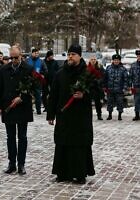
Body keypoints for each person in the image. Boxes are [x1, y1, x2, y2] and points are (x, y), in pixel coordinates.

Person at [47, 44, 95, 184]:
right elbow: (53, 95)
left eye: (73, 54)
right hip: (64, 116)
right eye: (69, 54)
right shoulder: (60, 73)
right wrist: (50, 114)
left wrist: (84, 95)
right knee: (63, 143)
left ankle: (80, 174)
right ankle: (62, 173)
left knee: (79, 145)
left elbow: (96, 93)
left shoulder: (87, 73)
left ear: (80, 56)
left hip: (80, 117)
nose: (70, 57)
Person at [0, 46, 35, 175]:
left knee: (22, 136)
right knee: (10, 137)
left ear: (21, 55)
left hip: (23, 107)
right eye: (11, 58)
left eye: (16, 57)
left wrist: (22, 97)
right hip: (9, 106)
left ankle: (21, 164)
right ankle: (11, 163)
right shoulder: (3, 69)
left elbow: (34, 87)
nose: (13, 60)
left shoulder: (28, 68)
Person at [103, 54, 129, 120]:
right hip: (110, 89)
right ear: (113, 60)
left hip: (119, 89)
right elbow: (105, 78)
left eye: (117, 60)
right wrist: (105, 87)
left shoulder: (123, 69)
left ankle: (119, 115)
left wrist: (124, 88)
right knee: (109, 102)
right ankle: (109, 115)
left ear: (119, 61)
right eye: (115, 60)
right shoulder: (108, 68)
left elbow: (126, 79)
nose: (116, 61)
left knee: (120, 103)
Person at [26, 48, 47, 114]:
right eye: (35, 53)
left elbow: (45, 70)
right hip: (29, 81)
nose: (36, 54)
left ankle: (38, 110)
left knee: (38, 96)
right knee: (28, 95)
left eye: (37, 53)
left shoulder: (41, 61)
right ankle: (29, 109)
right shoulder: (27, 60)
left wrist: (42, 74)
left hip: (38, 81)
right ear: (32, 53)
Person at [87, 56, 105, 120]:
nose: (93, 60)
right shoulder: (87, 68)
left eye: (94, 59)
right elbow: (85, 77)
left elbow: (103, 77)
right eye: (92, 59)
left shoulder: (100, 67)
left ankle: (99, 115)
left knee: (98, 103)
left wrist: (98, 81)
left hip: (97, 88)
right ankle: (88, 115)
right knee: (88, 103)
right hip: (89, 88)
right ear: (89, 60)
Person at [129, 50, 140, 121]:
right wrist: (130, 86)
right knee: (136, 101)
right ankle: (137, 115)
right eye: (138, 56)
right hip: (137, 86)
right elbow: (130, 76)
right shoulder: (133, 65)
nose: (139, 57)